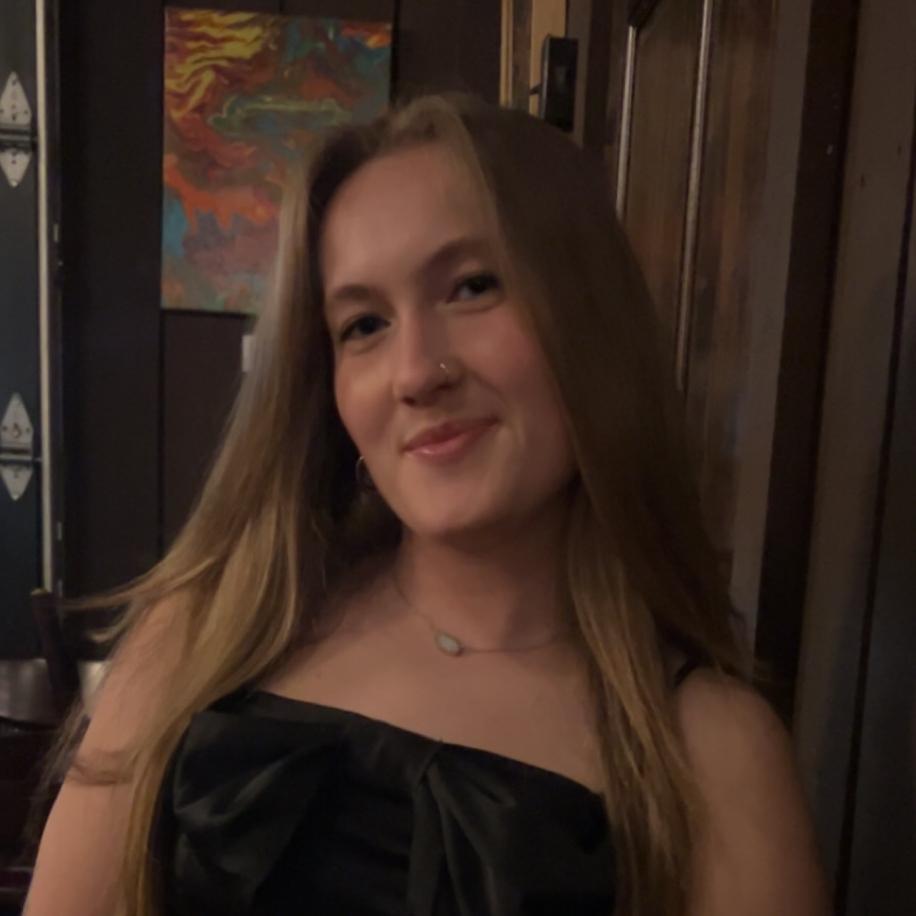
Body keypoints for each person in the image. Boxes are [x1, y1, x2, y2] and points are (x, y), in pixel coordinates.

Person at [23, 93, 830, 916]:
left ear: (588, 314)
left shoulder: (713, 757)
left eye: (473, 287)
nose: (415, 373)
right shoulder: (201, 637)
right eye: (364, 325)